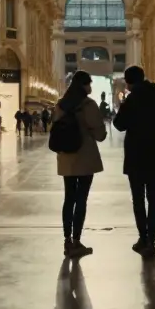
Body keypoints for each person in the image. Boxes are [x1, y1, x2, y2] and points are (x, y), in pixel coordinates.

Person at [113, 66, 155, 257]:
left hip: (135, 156)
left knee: (138, 199)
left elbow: (119, 124)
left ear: (129, 82)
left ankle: (143, 238)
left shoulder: (131, 100)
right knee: (153, 198)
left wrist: (123, 104)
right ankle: (152, 240)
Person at [52, 71, 106, 257]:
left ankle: (67, 241)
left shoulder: (61, 104)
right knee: (81, 199)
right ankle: (77, 241)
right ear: (84, 85)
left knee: (69, 199)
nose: (90, 87)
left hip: (66, 157)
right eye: (89, 84)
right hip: (84, 158)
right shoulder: (88, 105)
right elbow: (100, 135)